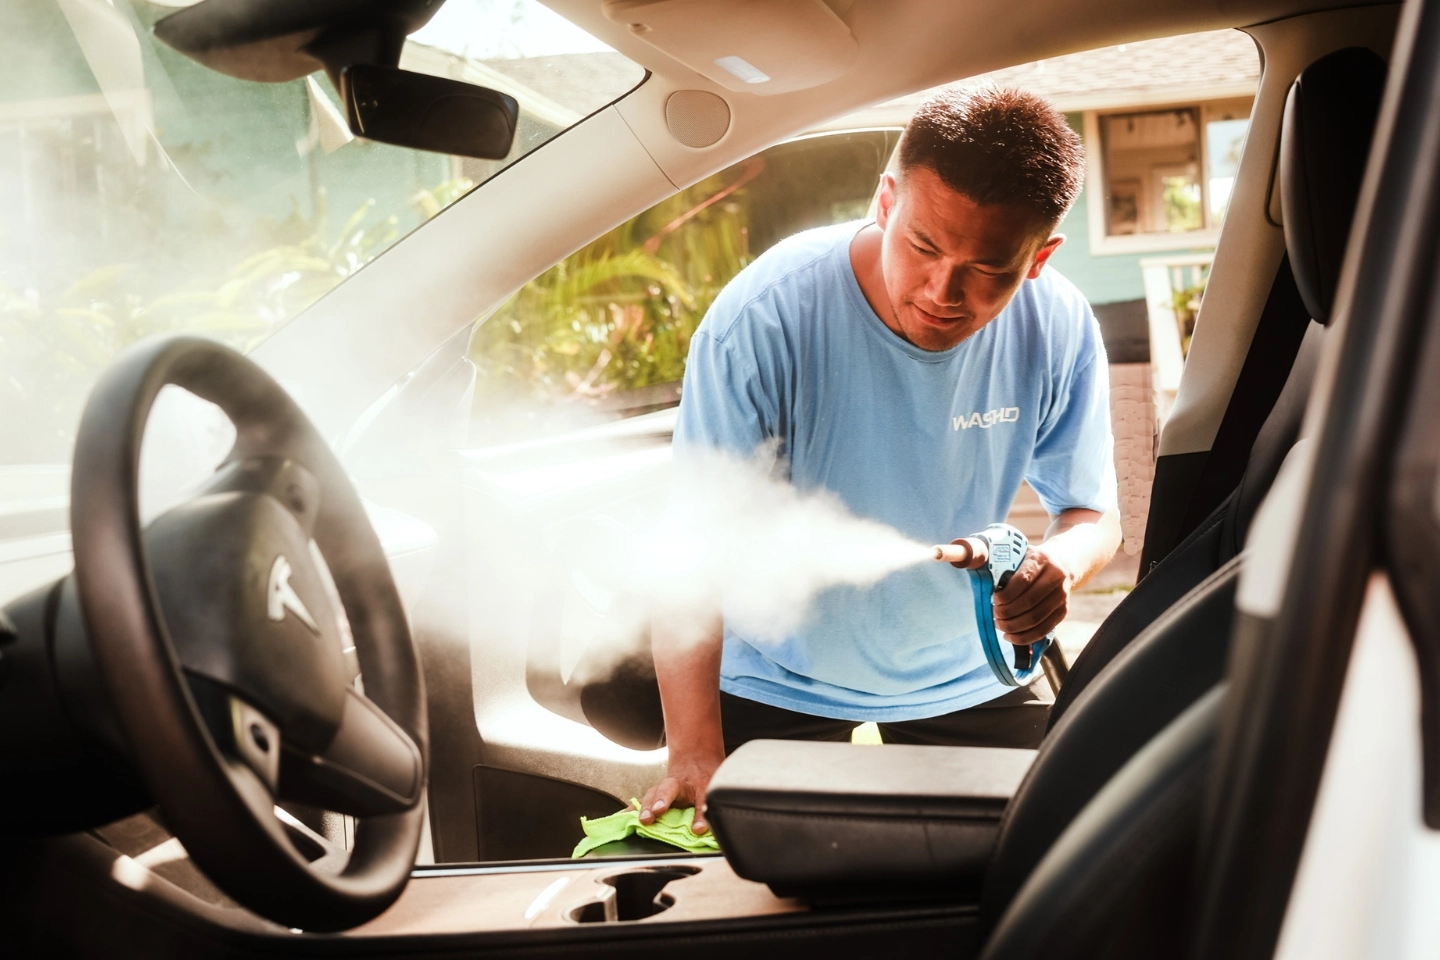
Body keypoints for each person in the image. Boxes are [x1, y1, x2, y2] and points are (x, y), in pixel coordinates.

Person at [641, 87, 1121, 835]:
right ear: (886, 201)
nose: (942, 291)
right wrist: (694, 750)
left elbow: (1093, 515)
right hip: (779, 677)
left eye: (988, 267)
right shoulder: (763, 318)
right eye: (924, 246)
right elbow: (691, 552)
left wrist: (1059, 567)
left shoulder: (1058, 324)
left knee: (1053, 860)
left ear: (1040, 258)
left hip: (973, 670)